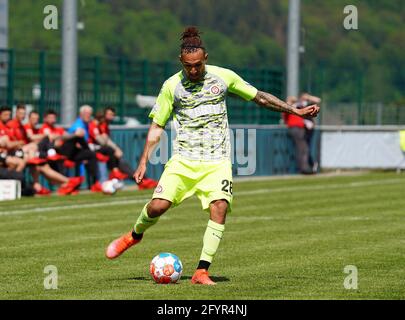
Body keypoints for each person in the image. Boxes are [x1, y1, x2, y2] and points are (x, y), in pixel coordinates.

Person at [105, 27, 320, 285]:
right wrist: (143, 161)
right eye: (188, 66)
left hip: (217, 161)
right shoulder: (171, 86)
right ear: (181, 62)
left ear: (205, 57)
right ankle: (134, 235)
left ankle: (201, 271)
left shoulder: (223, 77)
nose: (193, 71)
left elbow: (260, 97)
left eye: (197, 65)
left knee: (220, 207)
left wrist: (295, 112)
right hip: (183, 161)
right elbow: (156, 128)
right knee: (157, 206)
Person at [88, 107, 157, 189]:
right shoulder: (96, 125)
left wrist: (114, 146)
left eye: (112, 115)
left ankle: (141, 179)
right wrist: (114, 147)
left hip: (103, 150)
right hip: (96, 151)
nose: (110, 117)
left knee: (121, 161)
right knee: (114, 155)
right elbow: (102, 141)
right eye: (108, 115)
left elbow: (105, 140)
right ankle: (122, 174)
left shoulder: (102, 125)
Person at [282, 97, 313, 174]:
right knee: (303, 149)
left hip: (298, 129)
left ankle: (303, 168)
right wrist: (290, 102)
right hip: (296, 129)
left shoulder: (296, 107)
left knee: (302, 148)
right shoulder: (287, 107)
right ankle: (303, 168)